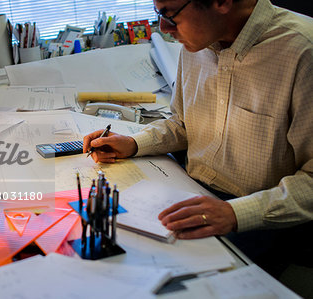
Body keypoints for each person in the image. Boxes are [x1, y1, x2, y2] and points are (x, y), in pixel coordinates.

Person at [83, 0, 313, 276]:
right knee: (107, 249)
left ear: (222, 2)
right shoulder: (197, 42)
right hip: (190, 188)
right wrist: (134, 143)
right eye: (158, 13)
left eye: (170, 14)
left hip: (260, 216)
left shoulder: (302, 51)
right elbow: (183, 122)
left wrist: (235, 213)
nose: (164, 28)